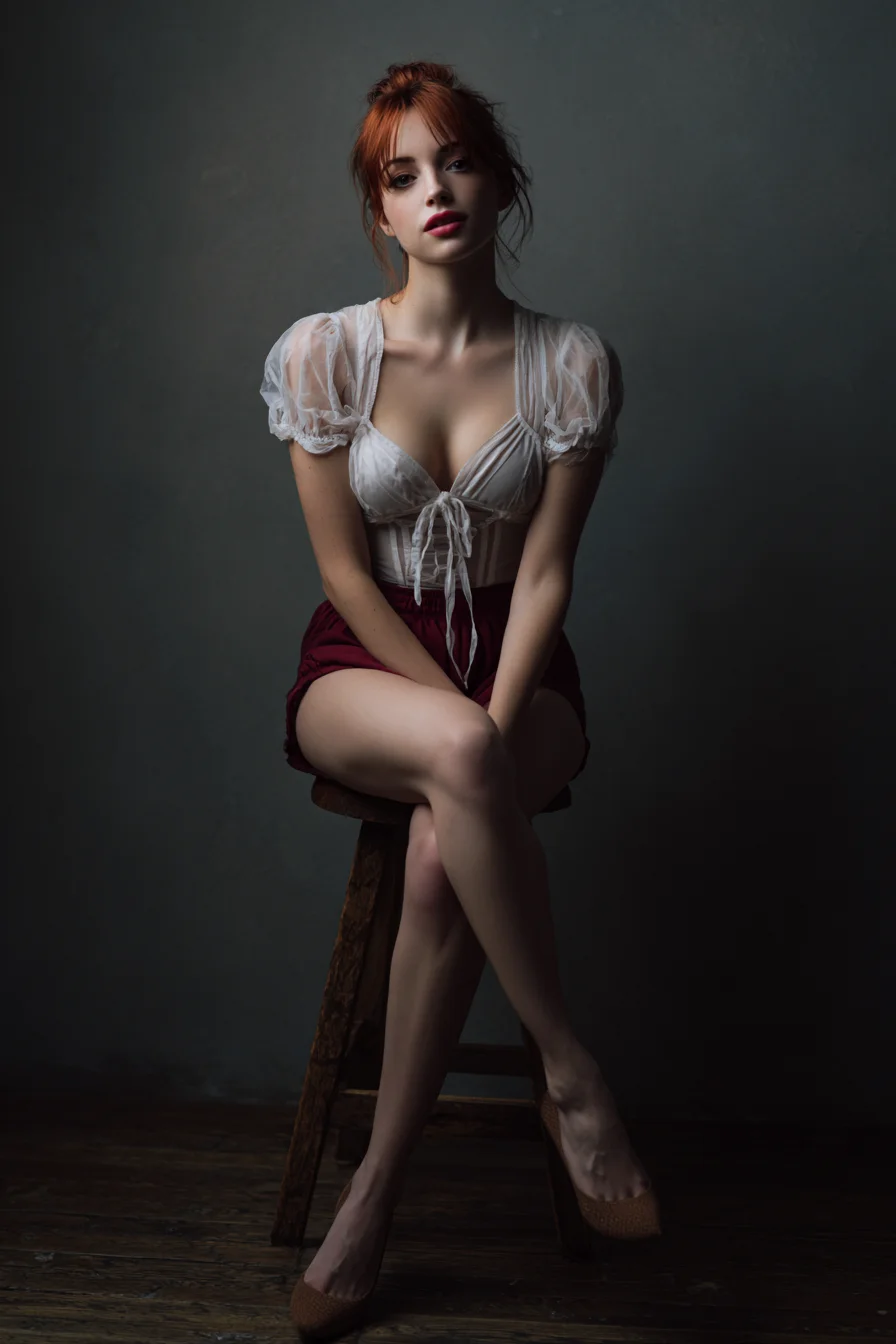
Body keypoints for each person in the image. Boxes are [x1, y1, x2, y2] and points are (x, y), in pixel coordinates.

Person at [260, 59, 658, 1340]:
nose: (434, 190)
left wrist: (487, 723)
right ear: (378, 210)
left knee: (445, 844)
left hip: (524, 669)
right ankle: (571, 1073)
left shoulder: (567, 362)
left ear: (500, 182)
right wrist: (461, 733)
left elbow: (544, 573)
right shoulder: (323, 354)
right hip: (364, 666)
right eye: (402, 174)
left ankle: (371, 1201)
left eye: (458, 161)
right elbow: (341, 572)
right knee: (458, 770)